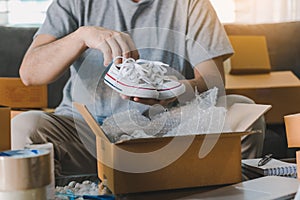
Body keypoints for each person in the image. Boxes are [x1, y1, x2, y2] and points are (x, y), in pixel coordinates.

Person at [12, 0, 265, 177]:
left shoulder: (191, 3)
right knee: (25, 126)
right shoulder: (75, 2)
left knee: (243, 112)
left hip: (167, 132)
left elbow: (214, 84)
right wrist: (81, 36)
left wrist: (171, 90)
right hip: (87, 133)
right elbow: (30, 74)